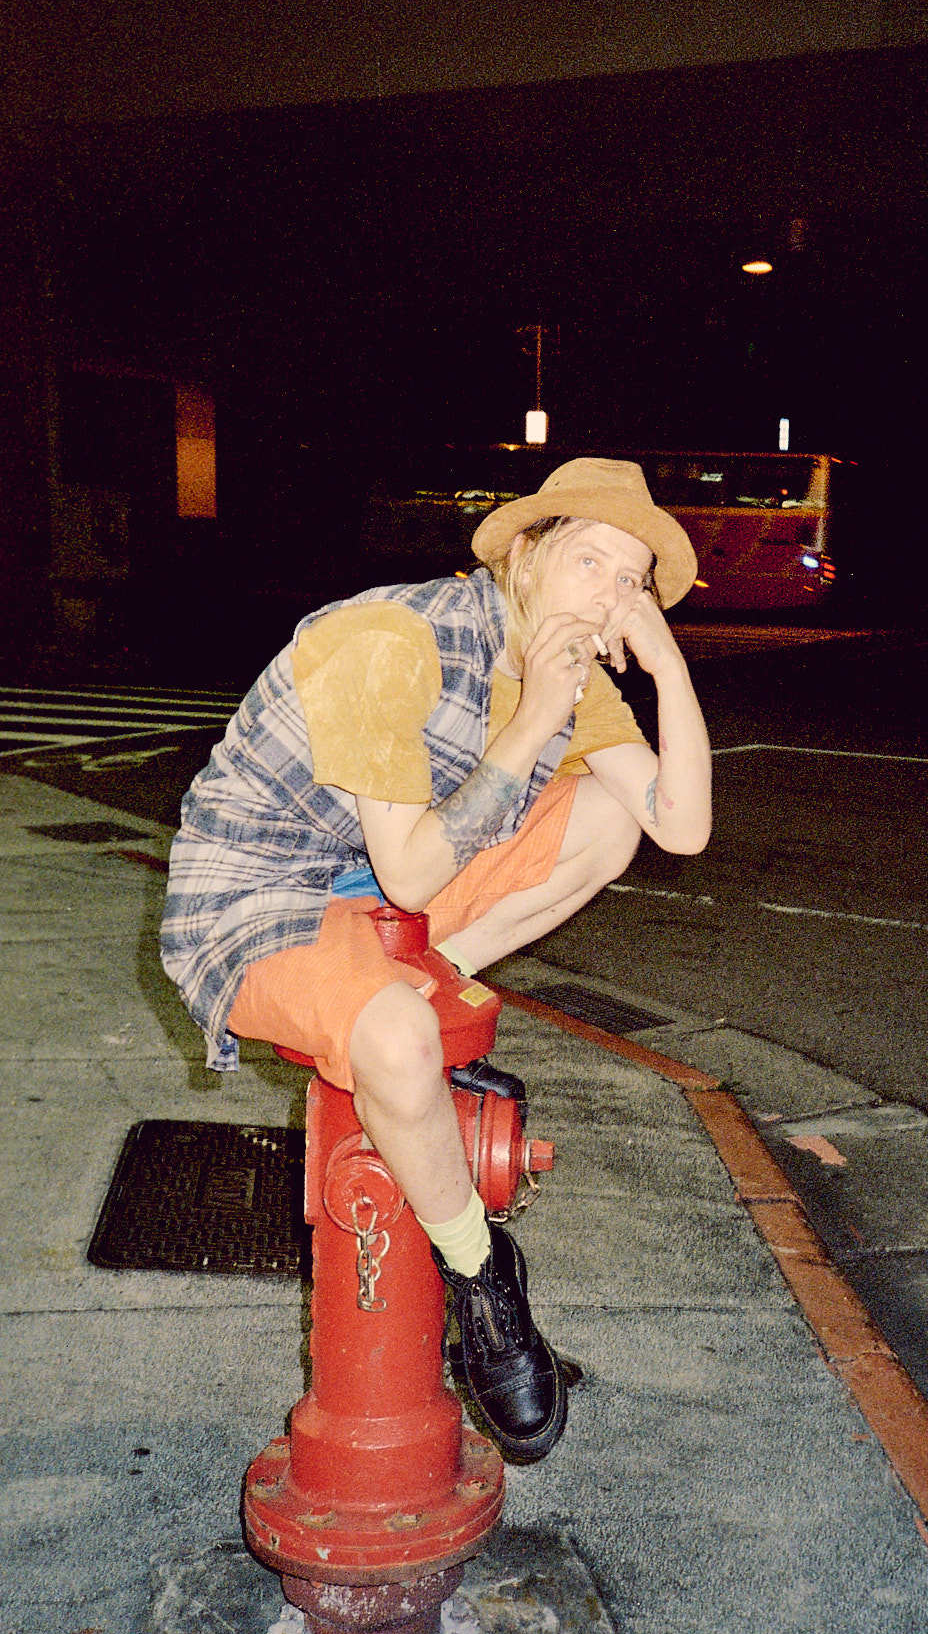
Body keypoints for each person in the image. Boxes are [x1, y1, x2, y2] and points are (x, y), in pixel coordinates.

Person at [160, 456, 712, 1466]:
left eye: (633, 580)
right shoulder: (391, 640)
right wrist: (538, 717)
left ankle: (402, 1034)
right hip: (260, 893)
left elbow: (681, 824)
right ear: (528, 555)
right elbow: (412, 875)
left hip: (379, 905)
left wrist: (667, 665)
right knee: (404, 1042)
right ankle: (482, 1273)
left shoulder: (572, 674)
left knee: (609, 820)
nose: (611, 597)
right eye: (591, 561)